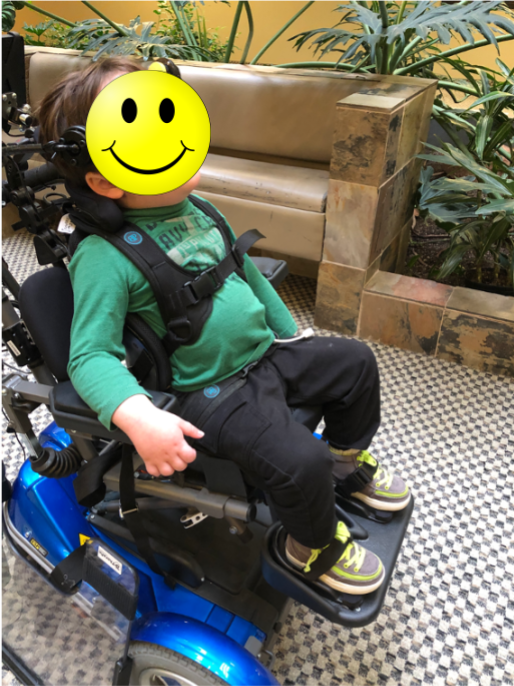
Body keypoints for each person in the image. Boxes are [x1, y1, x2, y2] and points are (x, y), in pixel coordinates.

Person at [37, 56, 410, 596]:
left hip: (265, 354)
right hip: (208, 390)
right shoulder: (103, 257)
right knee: (296, 458)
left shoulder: (201, 207)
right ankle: (309, 546)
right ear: (104, 180)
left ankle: (343, 462)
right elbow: (89, 357)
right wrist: (139, 416)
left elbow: (248, 277)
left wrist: (292, 336)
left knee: (354, 363)